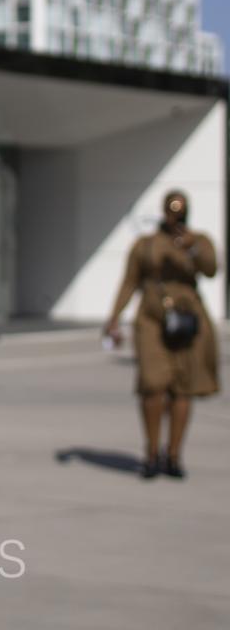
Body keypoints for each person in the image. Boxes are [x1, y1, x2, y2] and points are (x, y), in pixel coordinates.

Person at [104, 191, 219, 480]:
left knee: (183, 388)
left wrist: (191, 248)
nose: (174, 217)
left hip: (189, 321)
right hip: (153, 320)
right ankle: (152, 453)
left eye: (180, 212)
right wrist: (114, 317)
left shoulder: (198, 241)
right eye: (170, 211)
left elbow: (211, 269)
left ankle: (174, 455)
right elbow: (129, 281)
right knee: (153, 385)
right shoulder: (145, 245)